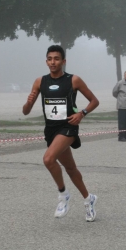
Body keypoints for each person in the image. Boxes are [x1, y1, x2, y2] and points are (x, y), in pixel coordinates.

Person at [23, 45, 99, 222]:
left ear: (63, 61)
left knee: (48, 159)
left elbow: (94, 101)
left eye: (56, 59)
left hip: (68, 127)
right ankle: (89, 199)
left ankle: (63, 194)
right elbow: (26, 111)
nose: (52, 62)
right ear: (46, 61)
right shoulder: (40, 82)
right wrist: (28, 103)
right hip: (51, 130)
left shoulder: (74, 80)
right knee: (71, 169)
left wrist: (82, 113)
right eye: (49, 59)